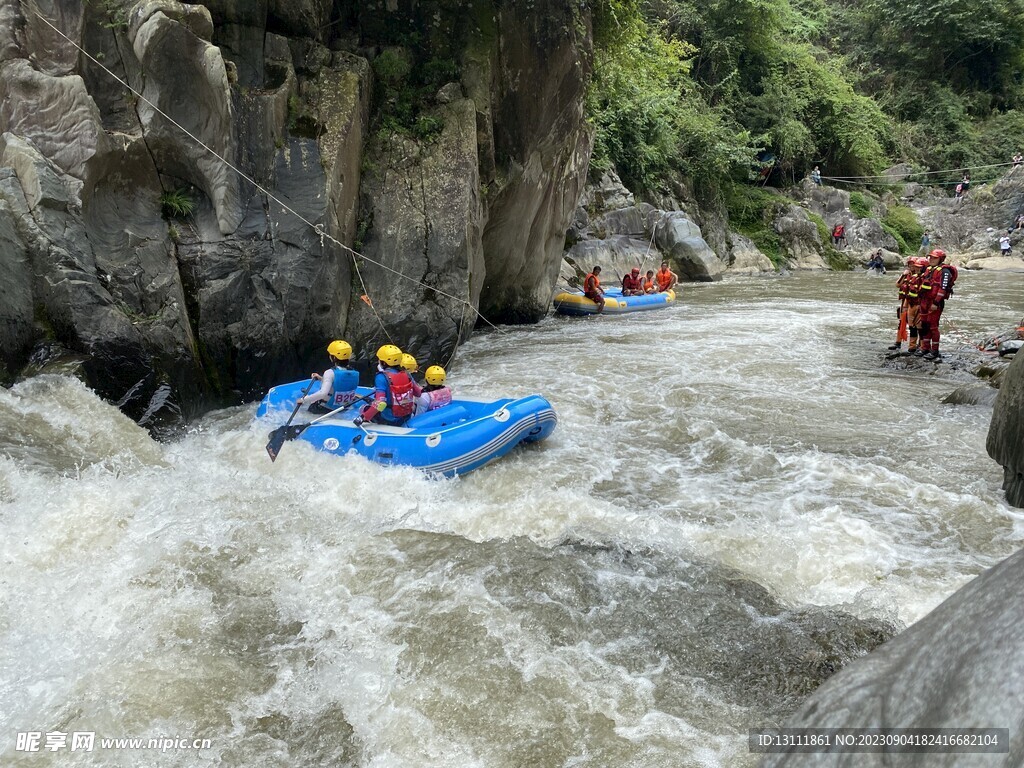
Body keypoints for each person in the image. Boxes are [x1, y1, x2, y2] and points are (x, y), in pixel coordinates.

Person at [354, 344, 421, 427]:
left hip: (389, 419)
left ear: (384, 362)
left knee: (364, 408)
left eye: (379, 359)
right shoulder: (407, 374)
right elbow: (418, 393)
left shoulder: (381, 377)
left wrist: (363, 417)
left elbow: (380, 403)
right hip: (406, 416)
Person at [916, 249, 958, 361]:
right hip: (924, 301)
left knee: (933, 327)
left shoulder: (945, 271)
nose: (931, 259)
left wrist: (936, 302)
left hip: (935, 303)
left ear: (941, 259)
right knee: (924, 325)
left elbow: (943, 288)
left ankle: (934, 350)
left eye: (934, 258)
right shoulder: (928, 269)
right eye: (930, 257)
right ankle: (925, 347)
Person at [297, 339, 360, 414]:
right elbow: (340, 385)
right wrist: (321, 378)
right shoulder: (354, 373)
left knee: (304, 409)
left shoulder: (329, 373)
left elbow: (322, 393)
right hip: (343, 408)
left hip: (325, 408)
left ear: (333, 358)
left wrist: (303, 399)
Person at [889, 257, 925, 353]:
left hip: (916, 303)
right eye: (910, 264)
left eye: (913, 264)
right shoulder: (907, 275)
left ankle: (919, 345)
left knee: (918, 325)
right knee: (902, 322)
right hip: (906, 301)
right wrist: (903, 275)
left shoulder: (922, 277)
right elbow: (897, 285)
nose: (911, 266)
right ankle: (898, 342)